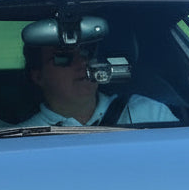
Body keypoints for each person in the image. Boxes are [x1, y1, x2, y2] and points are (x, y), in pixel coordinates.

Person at [21, 43, 177, 127]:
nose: (82, 63)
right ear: (39, 76)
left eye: (85, 54)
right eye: (63, 58)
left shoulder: (149, 113)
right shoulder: (23, 137)